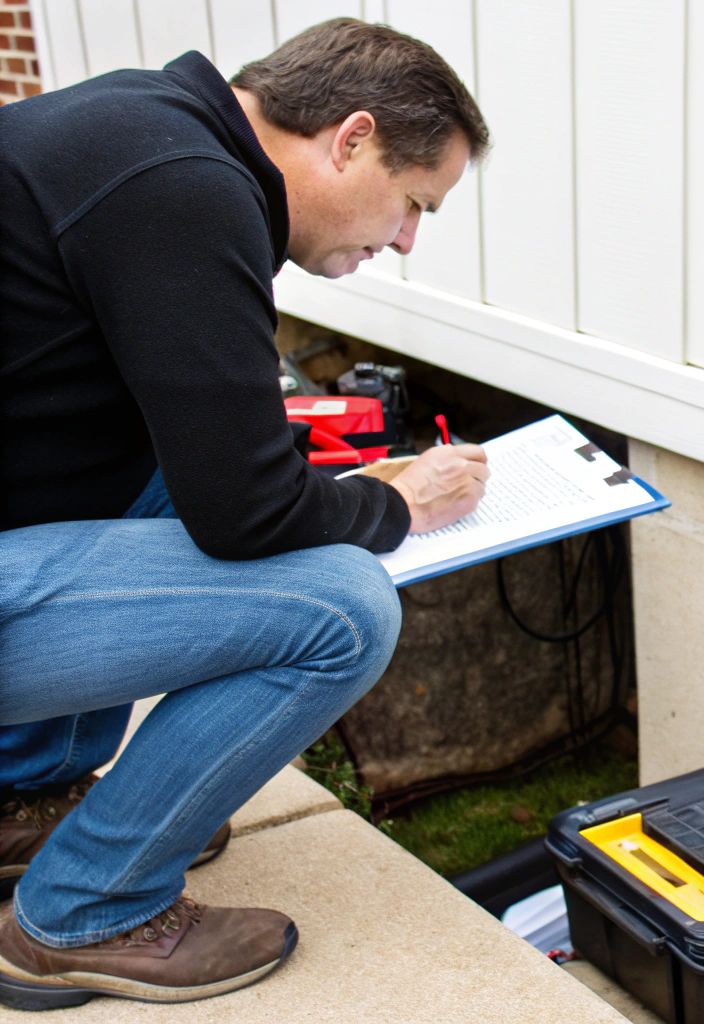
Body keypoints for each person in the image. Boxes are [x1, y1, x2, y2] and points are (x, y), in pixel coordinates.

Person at [0, 19, 491, 1009]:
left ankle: (22, 799)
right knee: (344, 607)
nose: (405, 240)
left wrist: (335, 490)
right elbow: (247, 513)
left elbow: (214, 457)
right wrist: (391, 506)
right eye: (413, 203)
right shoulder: (182, 190)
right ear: (352, 138)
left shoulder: (144, 130)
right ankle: (89, 908)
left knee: (159, 467)